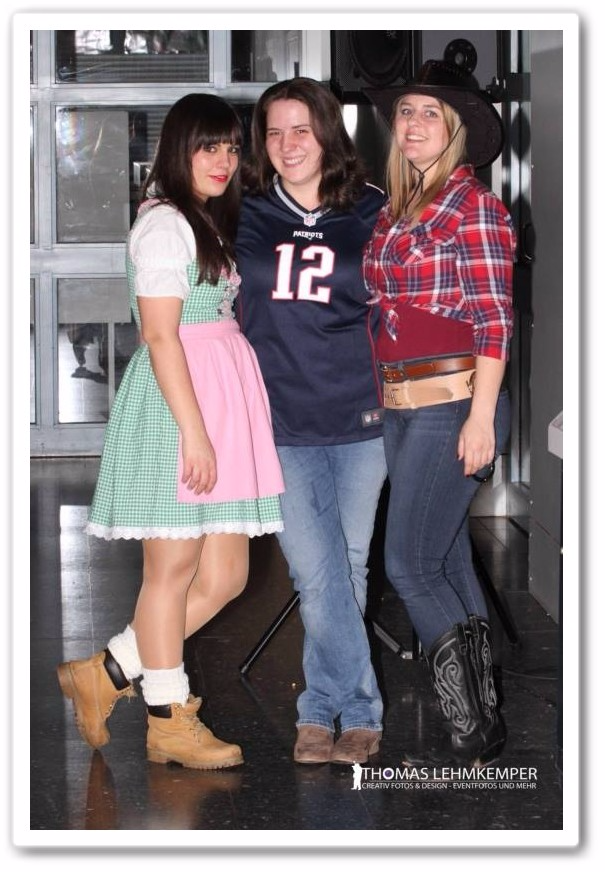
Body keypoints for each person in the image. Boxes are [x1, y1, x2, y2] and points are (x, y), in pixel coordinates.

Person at [57, 93, 285, 770]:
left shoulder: (199, 219)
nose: (223, 160)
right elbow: (160, 334)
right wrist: (195, 432)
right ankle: (168, 720)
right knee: (172, 572)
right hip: (179, 408)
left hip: (217, 401)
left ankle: (106, 671)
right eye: (208, 147)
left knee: (226, 575)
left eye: (232, 148)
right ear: (177, 149)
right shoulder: (164, 225)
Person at [363, 60, 516, 769]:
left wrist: (480, 419)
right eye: (406, 112)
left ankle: (472, 725)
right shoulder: (398, 208)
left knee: (408, 564)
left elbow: (493, 319)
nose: (414, 123)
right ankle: (485, 714)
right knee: (446, 556)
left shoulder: (472, 206)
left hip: (453, 404)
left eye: (430, 113)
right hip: (402, 406)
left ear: (454, 130)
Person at [236, 77, 388, 766]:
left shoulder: (376, 210)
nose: (287, 144)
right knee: (315, 572)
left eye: (301, 129)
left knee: (347, 565)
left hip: (363, 417)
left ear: (328, 133)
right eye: (274, 132)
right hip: (277, 419)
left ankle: (325, 711)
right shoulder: (242, 212)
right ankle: (353, 710)